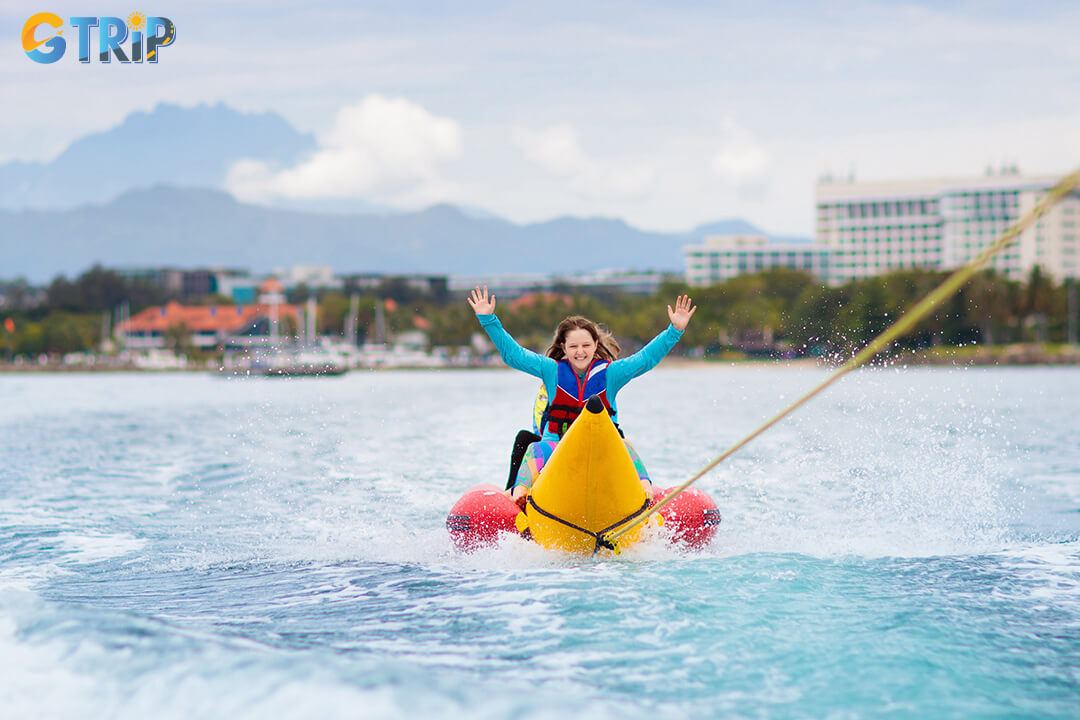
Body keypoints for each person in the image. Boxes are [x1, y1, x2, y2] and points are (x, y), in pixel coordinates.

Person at [467, 286, 696, 503]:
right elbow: (514, 355)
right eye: (573, 346)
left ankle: (645, 495)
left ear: (595, 345)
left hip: (602, 444)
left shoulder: (611, 373)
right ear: (564, 348)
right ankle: (519, 497)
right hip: (557, 445)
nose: (580, 352)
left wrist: (674, 331)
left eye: (586, 345)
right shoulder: (551, 370)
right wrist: (488, 320)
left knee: (625, 446)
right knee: (535, 448)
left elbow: (646, 359)